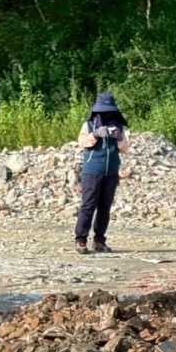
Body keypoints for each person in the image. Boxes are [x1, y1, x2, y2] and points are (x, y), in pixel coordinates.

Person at [74, 92, 130, 254]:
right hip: (92, 171)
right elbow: (82, 142)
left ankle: (99, 240)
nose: (105, 114)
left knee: (104, 207)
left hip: (111, 171)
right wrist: (96, 134)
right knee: (88, 205)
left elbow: (125, 149)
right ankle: (81, 240)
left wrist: (119, 137)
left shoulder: (118, 126)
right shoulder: (89, 124)